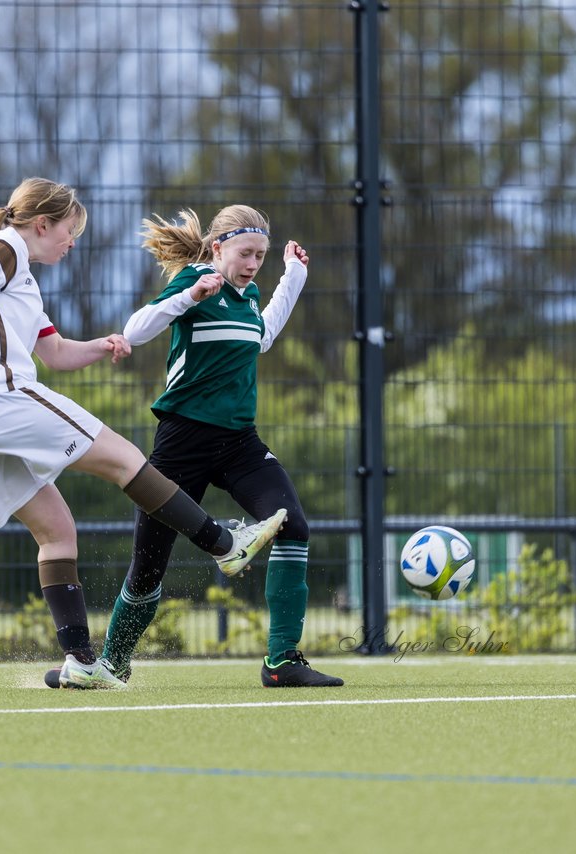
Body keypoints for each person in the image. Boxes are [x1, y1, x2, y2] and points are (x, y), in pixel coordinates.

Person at [0, 179, 287, 690]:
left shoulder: (20, 277)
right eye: (70, 231)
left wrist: (103, 345)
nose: (72, 243)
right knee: (125, 458)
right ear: (42, 224)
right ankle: (224, 544)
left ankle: (82, 663)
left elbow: (56, 354)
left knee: (56, 529)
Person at [96, 205, 344, 688]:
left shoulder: (249, 296)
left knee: (293, 524)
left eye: (261, 256)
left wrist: (293, 277)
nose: (253, 264)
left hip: (239, 444)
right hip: (181, 441)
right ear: (217, 248)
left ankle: (282, 661)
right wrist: (190, 295)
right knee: (148, 567)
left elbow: (263, 337)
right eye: (246, 253)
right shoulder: (196, 280)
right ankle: (111, 663)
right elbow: (135, 331)